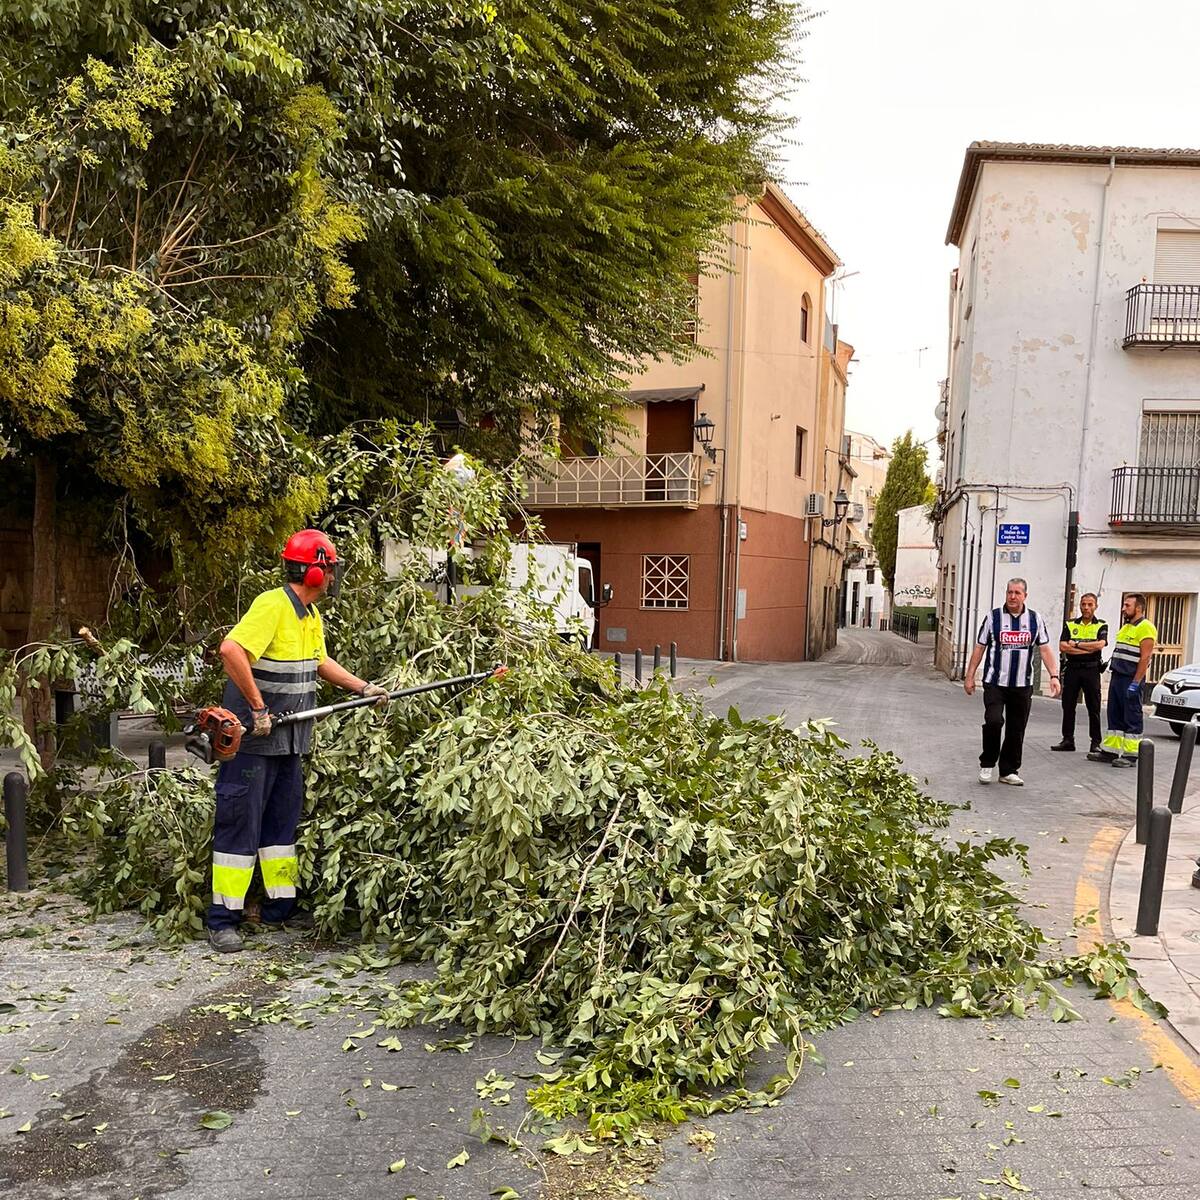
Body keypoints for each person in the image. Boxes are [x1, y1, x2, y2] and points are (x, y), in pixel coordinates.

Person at [208, 529, 388, 953]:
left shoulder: (309, 615)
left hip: (290, 741)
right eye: (328, 569)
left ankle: (277, 908)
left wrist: (363, 689)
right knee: (240, 826)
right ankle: (222, 920)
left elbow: (319, 661)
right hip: (253, 742)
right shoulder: (272, 605)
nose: (331, 578)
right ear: (312, 571)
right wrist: (257, 708)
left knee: (279, 828)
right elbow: (230, 650)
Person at [964, 578, 1061, 787]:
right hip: (995, 683)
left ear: (1025, 595)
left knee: (1016, 728)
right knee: (994, 720)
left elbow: (1044, 649)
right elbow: (980, 647)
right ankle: (987, 763)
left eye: (1017, 593)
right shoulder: (993, 618)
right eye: (1009, 592)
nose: (1013, 597)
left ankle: (1008, 770)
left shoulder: (1035, 619)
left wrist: (1054, 675)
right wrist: (970, 676)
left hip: (1022, 685)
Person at [1088, 592, 1157, 769]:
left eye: (1127, 605)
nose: (1123, 608)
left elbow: (1145, 658)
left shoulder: (1146, 628)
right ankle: (1110, 750)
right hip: (1117, 676)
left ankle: (1131, 755)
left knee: (1132, 716)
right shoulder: (1126, 627)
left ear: (1139, 608)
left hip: (1131, 678)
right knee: (1115, 715)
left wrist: (1136, 682)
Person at [1051, 592, 1108, 753]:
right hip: (1073, 669)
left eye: (1090, 604)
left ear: (1096, 606)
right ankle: (1068, 740)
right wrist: (1087, 647)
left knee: (1093, 707)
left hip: (1092, 669)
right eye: (1083, 604)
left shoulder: (1101, 625)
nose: (1086, 608)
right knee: (1068, 705)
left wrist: (1075, 644)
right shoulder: (1070, 624)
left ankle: (1095, 742)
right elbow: (1062, 647)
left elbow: (1100, 645)